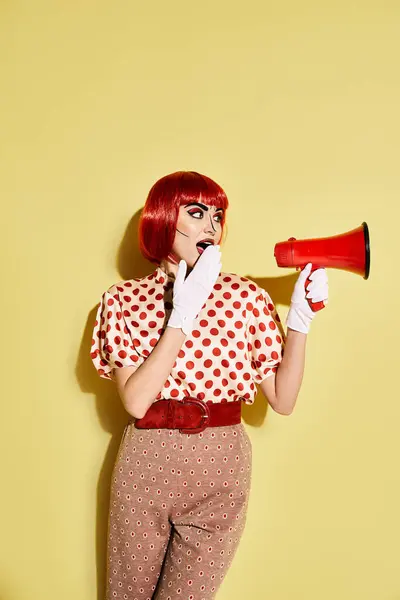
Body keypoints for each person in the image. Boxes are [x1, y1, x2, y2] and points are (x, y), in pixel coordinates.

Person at [90, 171, 329, 600]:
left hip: (221, 468)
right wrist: (183, 314)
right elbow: (136, 400)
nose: (212, 227)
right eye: (197, 213)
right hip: (147, 466)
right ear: (164, 218)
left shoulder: (245, 297)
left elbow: (284, 400)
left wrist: (300, 320)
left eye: (218, 216)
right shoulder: (122, 299)